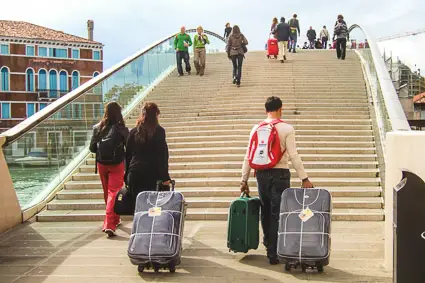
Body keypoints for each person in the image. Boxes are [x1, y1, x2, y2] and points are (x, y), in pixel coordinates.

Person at [240, 96, 314, 265]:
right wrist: (305, 178)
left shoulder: (256, 129)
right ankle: (276, 249)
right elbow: (293, 155)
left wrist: (243, 180)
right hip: (280, 173)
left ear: (266, 110)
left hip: (261, 174)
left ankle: (269, 246)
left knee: (265, 211)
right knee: (279, 212)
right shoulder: (286, 128)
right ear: (281, 109)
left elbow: (247, 156)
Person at [89, 102, 129, 238]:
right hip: (116, 164)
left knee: (108, 193)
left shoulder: (98, 127)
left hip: (102, 164)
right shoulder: (121, 128)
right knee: (114, 193)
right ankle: (109, 224)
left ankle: (114, 219)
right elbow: (128, 146)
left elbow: (92, 148)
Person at [125, 102, 171, 197]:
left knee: (137, 206)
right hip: (153, 174)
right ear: (156, 115)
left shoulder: (133, 132)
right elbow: (162, 156)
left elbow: (128, 155)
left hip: (135, 172)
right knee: (151, 206)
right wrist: (165, 177)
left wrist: (126, 175)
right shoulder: (159, 131)